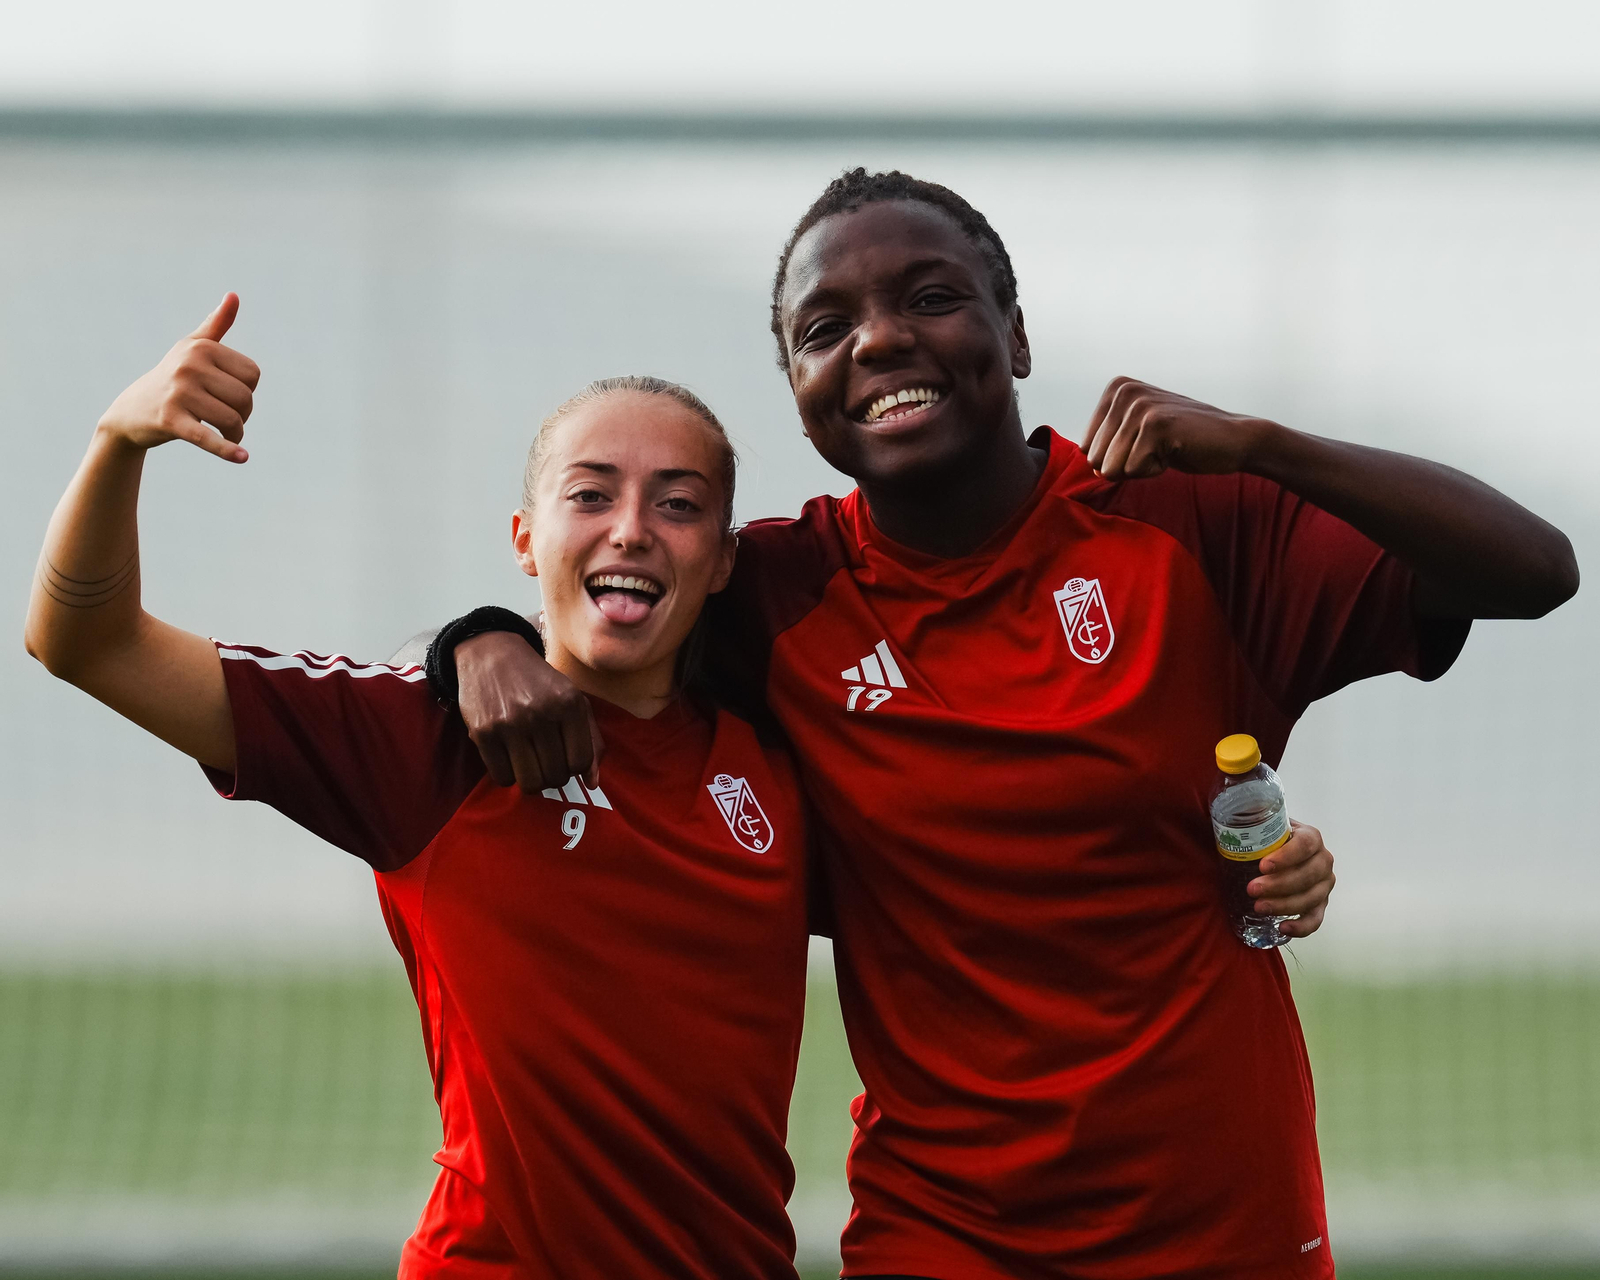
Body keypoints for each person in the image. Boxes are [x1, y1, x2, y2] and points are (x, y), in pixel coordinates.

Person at [431, 169, 1580, 1279]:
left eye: (929, 298)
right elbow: (605, 611)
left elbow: (1533, 569)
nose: (878, 340)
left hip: (1222, 1219)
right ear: (798, 390)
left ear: (1016, 337)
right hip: (947, 1234)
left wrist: (1262, 443)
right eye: (824, 328)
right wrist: (479, 637)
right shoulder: (774, 593)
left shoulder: (1185, 528)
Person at [24, 304, 813, 1280]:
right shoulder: (425, 741)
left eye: (679, 504)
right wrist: (118, 441)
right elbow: (84, 641)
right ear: (526, 538)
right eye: (591, 494)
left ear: (726, 559)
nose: (633, 529)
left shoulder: (784, 759)